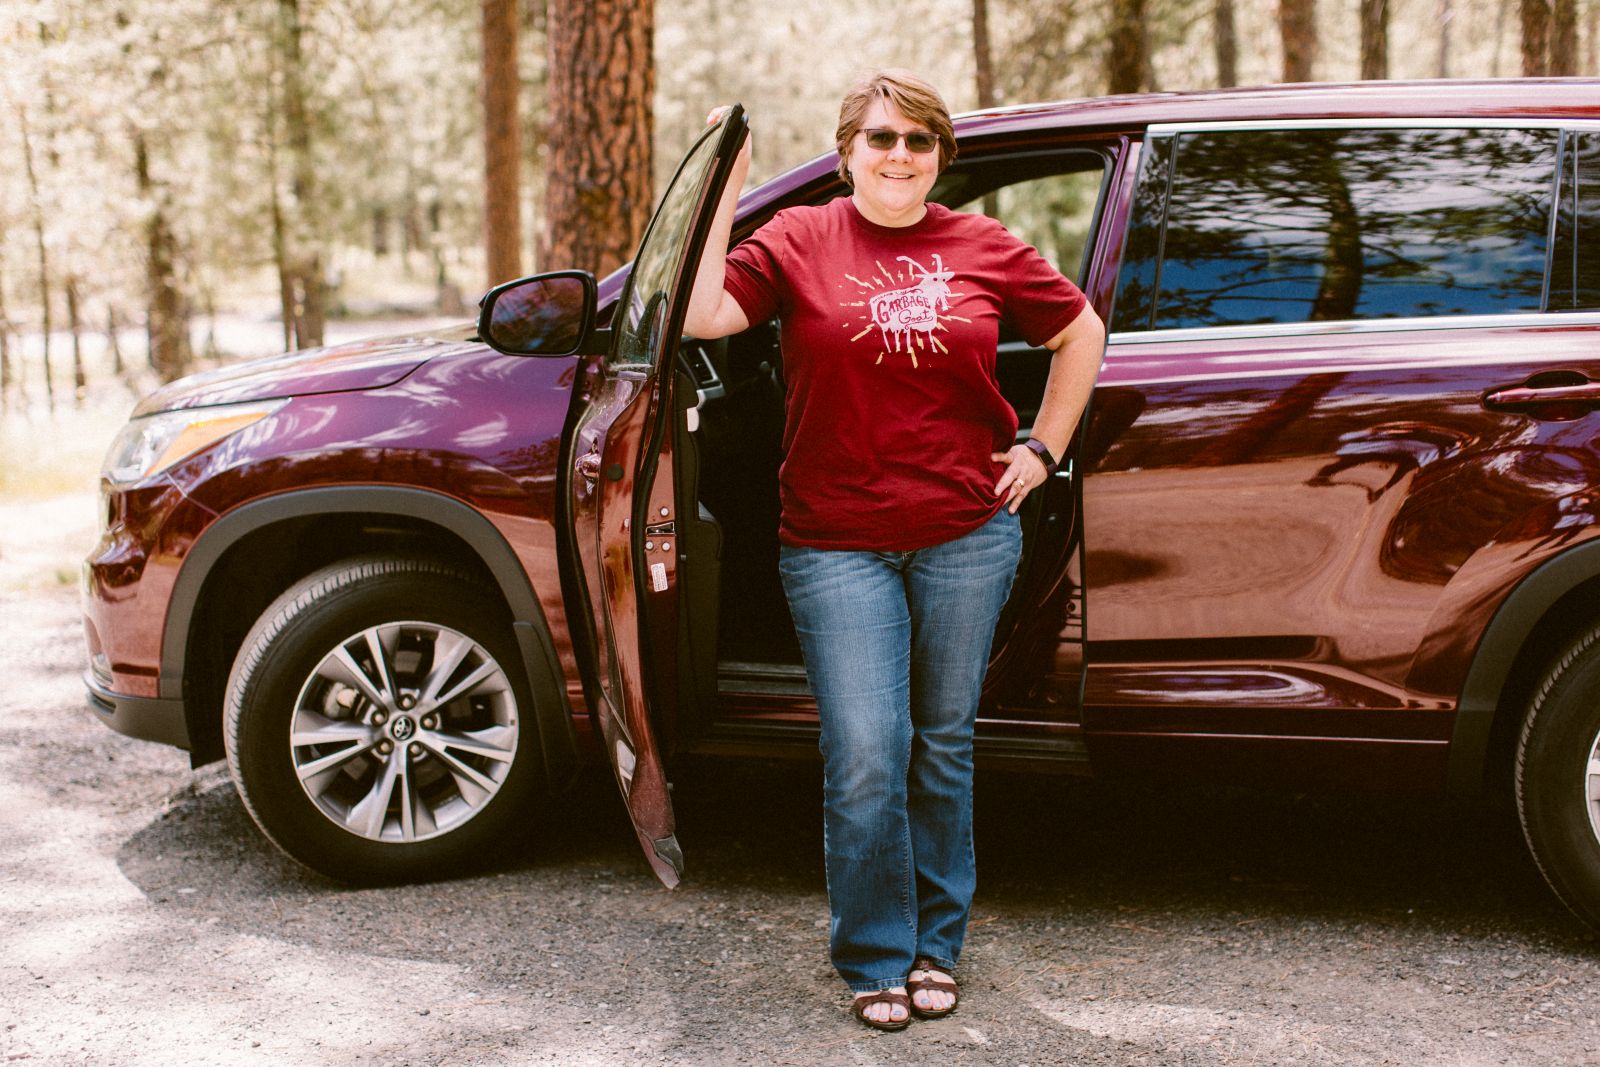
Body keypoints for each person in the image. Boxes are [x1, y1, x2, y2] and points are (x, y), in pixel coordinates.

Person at [683, 70, 1104, 1031]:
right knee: (868, 750)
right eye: (880, 138)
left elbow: (1082, 330)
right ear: (847, 153)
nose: (898, 155)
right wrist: (725, 184)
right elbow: (705, 315)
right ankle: (875, 951)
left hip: (966, 532)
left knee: (943, 744)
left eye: (918, 141)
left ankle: (934, 946)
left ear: (940, 158)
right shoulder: (798, 237)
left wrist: (1044, 448)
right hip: (835, 542)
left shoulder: (983, 244)